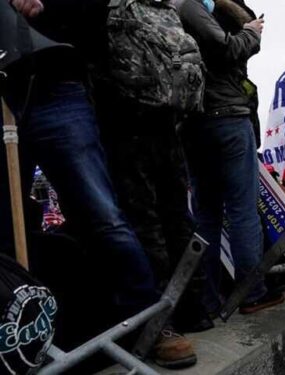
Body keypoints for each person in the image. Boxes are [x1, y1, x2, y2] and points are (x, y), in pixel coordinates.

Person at [4, 0, 199, 368]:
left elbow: (93, 14)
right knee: (6, 225)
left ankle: (151, 324)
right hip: (4, 89)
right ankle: (18, 330)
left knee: (103, 215)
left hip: (56, 87)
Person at [177, 0, 281, 315]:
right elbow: (225, 49)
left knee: (207, 215)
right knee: (242, 209)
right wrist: (250, 32)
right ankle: (253, 292)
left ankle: (209, 298)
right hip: (226, 118)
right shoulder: (193, 8)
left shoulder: (173, 11)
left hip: (193, 123)